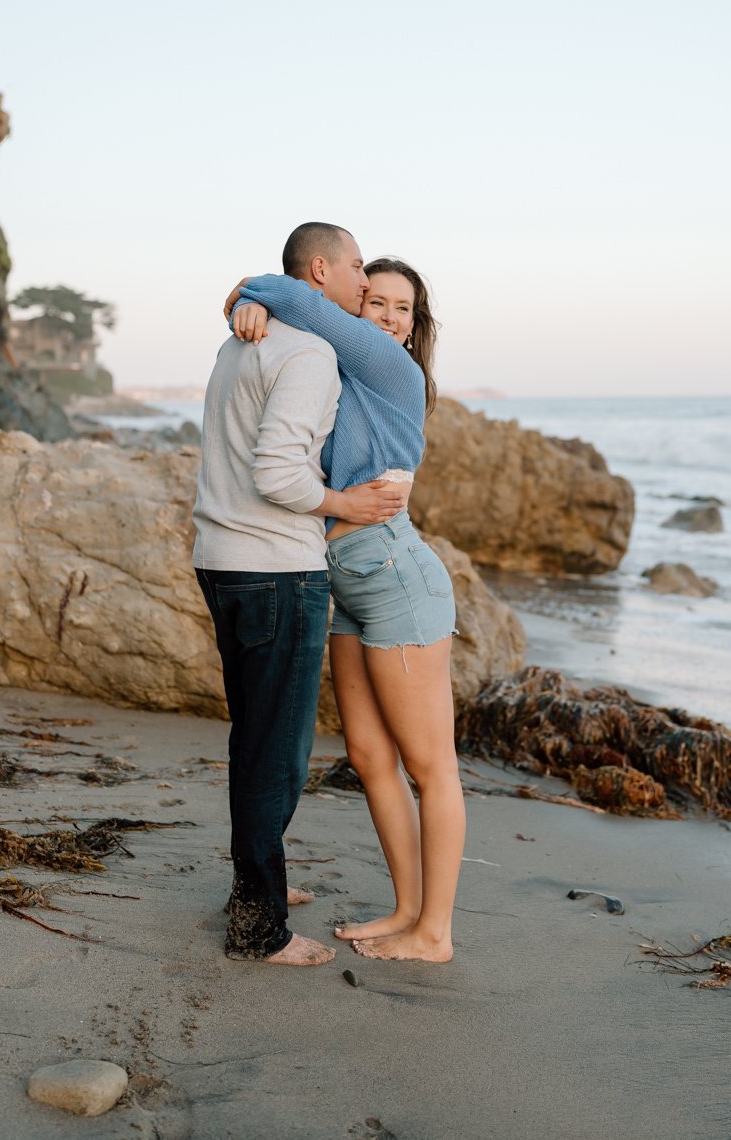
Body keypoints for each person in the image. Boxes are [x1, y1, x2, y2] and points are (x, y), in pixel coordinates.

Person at [224, 231, 465, 964]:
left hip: (394, 577)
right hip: (346, 584)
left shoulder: (388, 366)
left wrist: (243, 294)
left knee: (431, 768)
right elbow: (302, 309)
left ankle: (436, 933)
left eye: (403, 309)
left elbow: (296, 291)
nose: (389, 317)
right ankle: (405, 910)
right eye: (377, 299)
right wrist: (253, 308)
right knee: (368, 755)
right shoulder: (336, 368)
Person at [194, 221, 406, 966]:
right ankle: (259, 928)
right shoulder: (311, 352)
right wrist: (346, 507)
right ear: (319, 271)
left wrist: (245, 301)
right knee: (275, 750)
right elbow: (279, 475)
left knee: (256, 736)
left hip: (222, 560)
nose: (362, 282)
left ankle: (257, 886)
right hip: (277, 570)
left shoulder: (243, 340)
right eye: (354, 269)